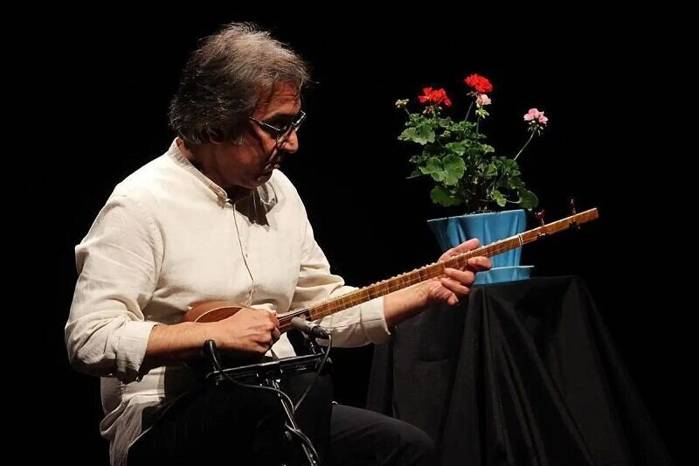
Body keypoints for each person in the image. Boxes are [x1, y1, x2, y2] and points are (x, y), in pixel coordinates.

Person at [65, 22, 491, 466]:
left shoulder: (280, 192)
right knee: (301, 393)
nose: (293, 143)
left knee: (404, 449)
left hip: (277, 399)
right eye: (277, 126)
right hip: (165, 418)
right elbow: (90, 339)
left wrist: (424, 290)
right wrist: (210, 335)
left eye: (295, 123)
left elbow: (321, 310)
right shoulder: (140, 203)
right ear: (215, 123)